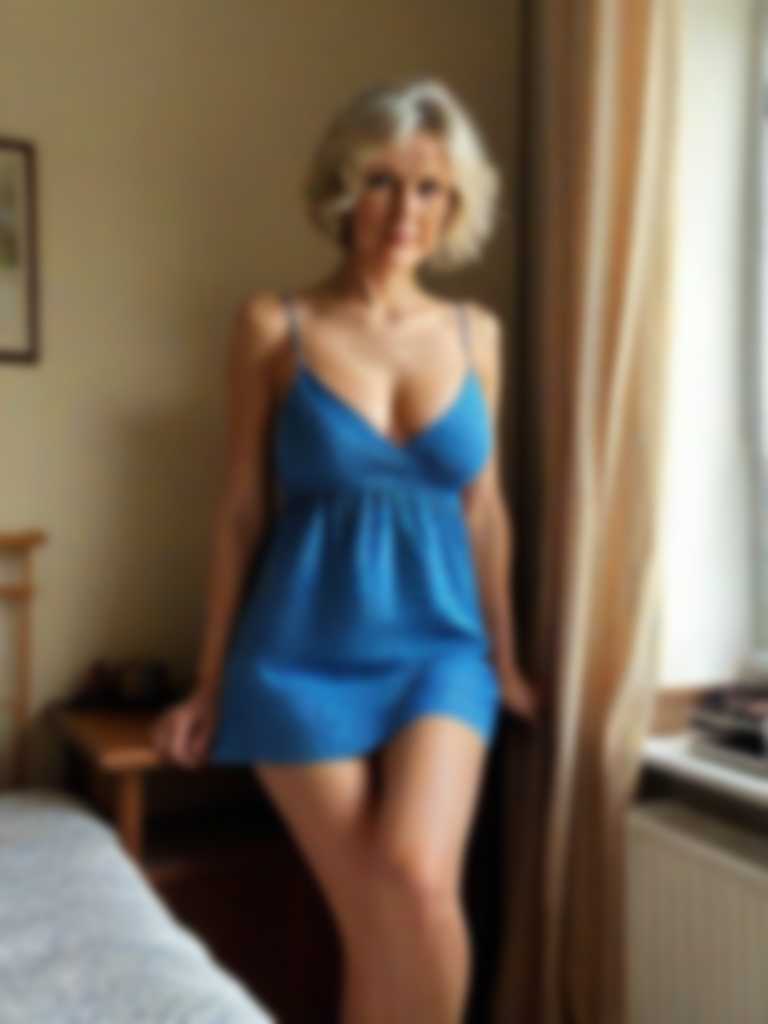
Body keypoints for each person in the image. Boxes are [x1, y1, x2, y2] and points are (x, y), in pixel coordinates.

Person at [152, 75, 538, 1024]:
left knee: (416, 879)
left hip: (441, 652)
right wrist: (208, 682)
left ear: (454, 204)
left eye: (429, 188)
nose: (405, 211)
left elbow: (485, 509)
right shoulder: (272, 325)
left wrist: (506, 658)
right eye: (381, 181)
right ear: (341, 188)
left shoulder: (476, 334)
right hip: (297, 657)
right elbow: (241, 510)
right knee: (373, 921)